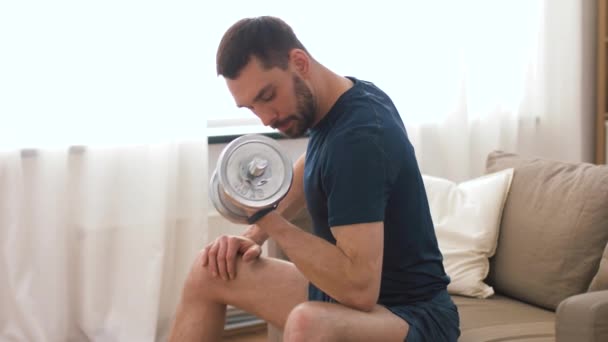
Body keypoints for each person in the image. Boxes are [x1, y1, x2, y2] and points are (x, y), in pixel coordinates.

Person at [169, 16, 460, 342]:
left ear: (299, 62)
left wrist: (269, 219)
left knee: (309, 323)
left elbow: (359, 289)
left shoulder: (361, 138)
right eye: (251, 107)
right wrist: (254, 236)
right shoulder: (342, 102)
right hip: (362, 302)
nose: (266, 118)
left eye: (267, 96)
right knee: (210, 270)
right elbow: (312, 164)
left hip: (412, 315)